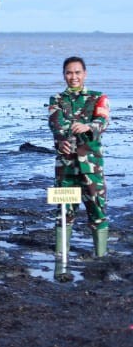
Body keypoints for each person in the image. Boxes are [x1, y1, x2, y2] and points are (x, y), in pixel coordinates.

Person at [48, 56, 109, 257]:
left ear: (85, 74)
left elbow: (102, 121)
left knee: (97, 210)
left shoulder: (98, 97)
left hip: (91, 167)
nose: (73, 77)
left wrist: (88, 126)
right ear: (64, 75)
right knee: (64, 212)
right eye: (69, 72)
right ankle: (61, 256)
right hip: (66, 167)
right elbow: (55, 124)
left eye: (77, 72)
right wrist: (60, 140)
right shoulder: (56, 99)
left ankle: (100, 256)